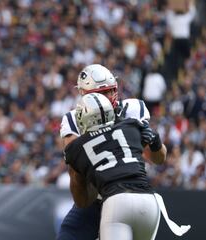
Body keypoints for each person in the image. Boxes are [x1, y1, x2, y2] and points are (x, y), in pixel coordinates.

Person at [58, 64, 166, 240]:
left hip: (130, 191)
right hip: (96, 197)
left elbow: (158, 158)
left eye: (110, 91)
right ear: (84, 95)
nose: (107, 98)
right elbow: (78, 176)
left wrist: (155, 141)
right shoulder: (73, 119)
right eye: (100, 94)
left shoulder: (132, 109)